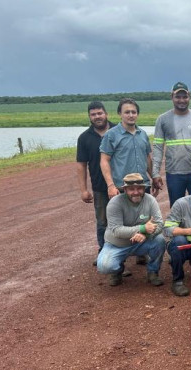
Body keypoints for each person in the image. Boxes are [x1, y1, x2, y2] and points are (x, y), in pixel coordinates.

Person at [96, 173, 166, 287]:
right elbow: (117, 230)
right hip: (117, 244)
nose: (136, 192)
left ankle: (153, 271)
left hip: (141, 242)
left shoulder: (150, 200)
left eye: (139, 188)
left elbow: (159, 223)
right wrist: (142, 229)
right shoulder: (115, 203)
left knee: (160, 241)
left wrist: (144, 235)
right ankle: (117, 271)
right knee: (104, 266)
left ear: (144, 188)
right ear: (125, 190)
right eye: (131, 189)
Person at [152, 82, 191, 207]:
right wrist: (155, 173)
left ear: (189, 97)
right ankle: (179, 228)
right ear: (172, 97)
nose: (181, 100)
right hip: (174, 173)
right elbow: (157, 148)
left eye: (185, 97)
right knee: (177, 208)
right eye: (178, 97)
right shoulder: (163, 119)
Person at [75, 101, 116, 261]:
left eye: (100, 113)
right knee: (102, 222)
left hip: (122, 185)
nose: (97, 117)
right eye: (93, 114)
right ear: (89, 117)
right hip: (100, 187)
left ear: (106, 114)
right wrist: (83, 189)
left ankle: (138, 252)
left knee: (130, 218)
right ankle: (104, 253)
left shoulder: (118, 130)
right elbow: (81, 165)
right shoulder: (84, 138)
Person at [100, 98, 152, 197]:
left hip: (143, 187)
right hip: (122, 188)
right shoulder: (111, 135)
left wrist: (154, 177)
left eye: (134, 112)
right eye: (127, 112)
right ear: (120, 113)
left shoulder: (143, 134)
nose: (131, 115)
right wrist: (110, 186)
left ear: (137, 114)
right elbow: (104, 161)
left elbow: (147, 158)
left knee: (145, 213)